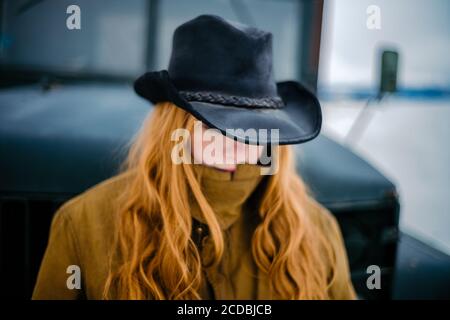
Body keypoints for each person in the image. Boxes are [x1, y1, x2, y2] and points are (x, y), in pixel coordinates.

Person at [32, 14, 356, 300]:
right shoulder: (83, 224)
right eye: (214, 124)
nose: (235, 142)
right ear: (175, 125)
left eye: (253, 127)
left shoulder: (315, 230)